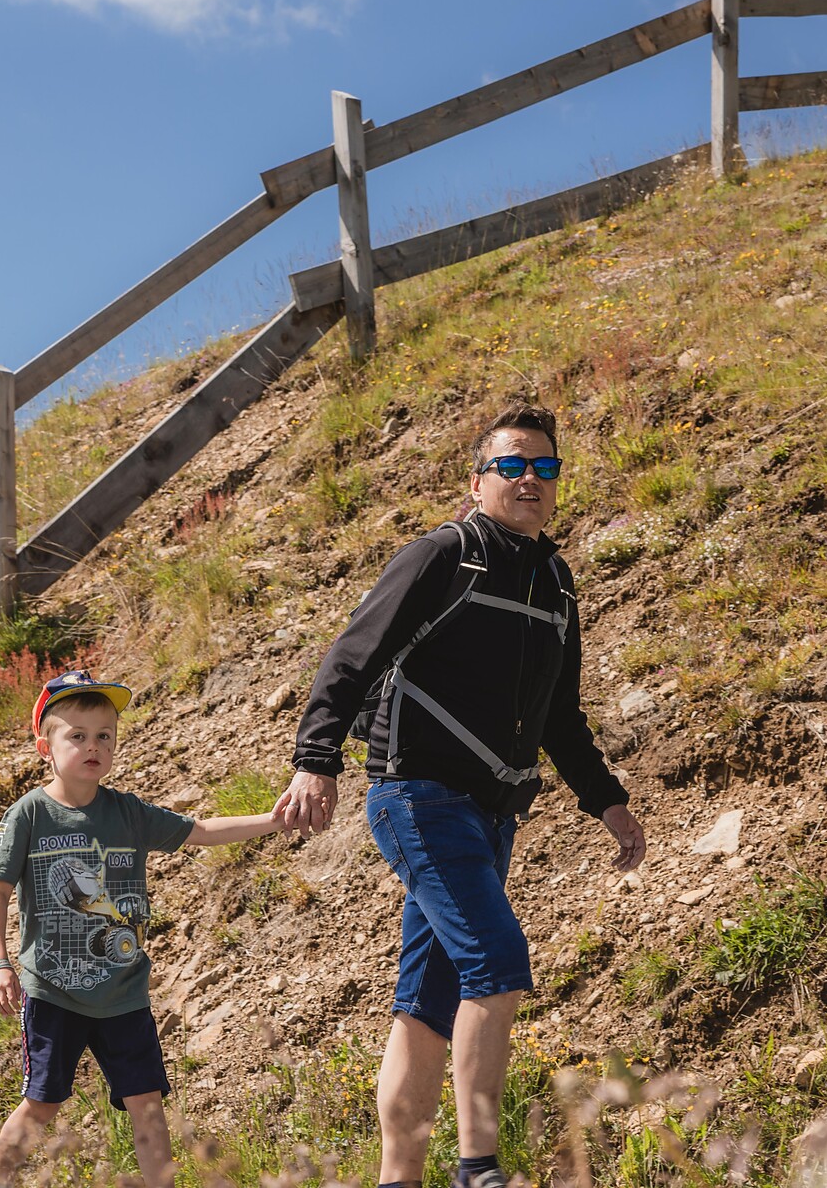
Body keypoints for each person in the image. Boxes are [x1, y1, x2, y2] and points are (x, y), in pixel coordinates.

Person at [276, 403, 648, 1188]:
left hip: (493, 815)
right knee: (498, 962)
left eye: (544, 467)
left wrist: (606, 799)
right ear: (478, 481)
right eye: (511, 465)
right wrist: (316, 759)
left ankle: (398, 1178)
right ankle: (478, 1169)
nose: (529, 478)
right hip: (418, 795)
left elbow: (559, 715)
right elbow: (352, 655)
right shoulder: (443, 555)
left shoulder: (557, 586)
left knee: (428, 999)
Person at [0, 670, 285, 1188]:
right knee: (42, 1103)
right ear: (45, 747)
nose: (93, 746)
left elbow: (201, 831)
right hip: (53, 990)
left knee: (147, 1104)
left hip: (123, 992)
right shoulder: (29, 814)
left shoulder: (128, 813)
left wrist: (276, 820)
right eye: (77, 735)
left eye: (105, 735)